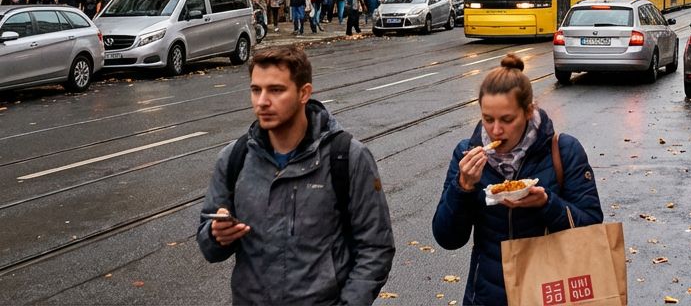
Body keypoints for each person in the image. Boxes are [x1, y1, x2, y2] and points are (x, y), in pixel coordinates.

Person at [198, 46, 395, 304]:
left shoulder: (347, 157)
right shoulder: (235, 157)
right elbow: (208, 245)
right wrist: (216, 235)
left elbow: (376, 246)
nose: (262, 102)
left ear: (304, 93)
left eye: (276, 90)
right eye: (256, 90)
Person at [432, 54, 604, 306]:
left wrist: (547, 204)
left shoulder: (563, 150)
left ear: (528, 111)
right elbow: (447, 238)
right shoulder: (467, 153)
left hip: (551, 291)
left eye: (507, 120)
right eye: (488, 119)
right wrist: (463, 187)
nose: (496, 130)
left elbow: (591, 227)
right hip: (488, 295)